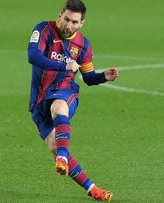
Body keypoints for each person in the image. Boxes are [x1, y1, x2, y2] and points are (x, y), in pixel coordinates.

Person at [27, 0, 119, 201]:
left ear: (81, 24)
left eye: (74, 22)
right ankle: (92, 189)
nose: (68, 25)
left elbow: (88, 77)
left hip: (65, 90)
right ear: (60, 14)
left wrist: (103, 76)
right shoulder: (43, 29)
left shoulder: (83, 45)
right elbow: (33, 56)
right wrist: (64, 66)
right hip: (39, 98)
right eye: (66, 19)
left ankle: (62, 156)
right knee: (54, 146)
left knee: (59, 107)